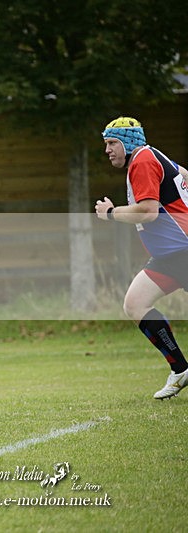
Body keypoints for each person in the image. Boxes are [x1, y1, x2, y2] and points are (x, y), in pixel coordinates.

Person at [95, 116, 188, 399]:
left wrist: (111, 213)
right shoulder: (151, 155)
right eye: (106, 143)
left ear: (129, 141)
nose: (108, 149)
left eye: (112, 143)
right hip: (169, 256)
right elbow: (183, 174)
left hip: (183, 250)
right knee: (135, 304)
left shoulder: (142, 161)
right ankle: (181, 370)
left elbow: (148, 211)